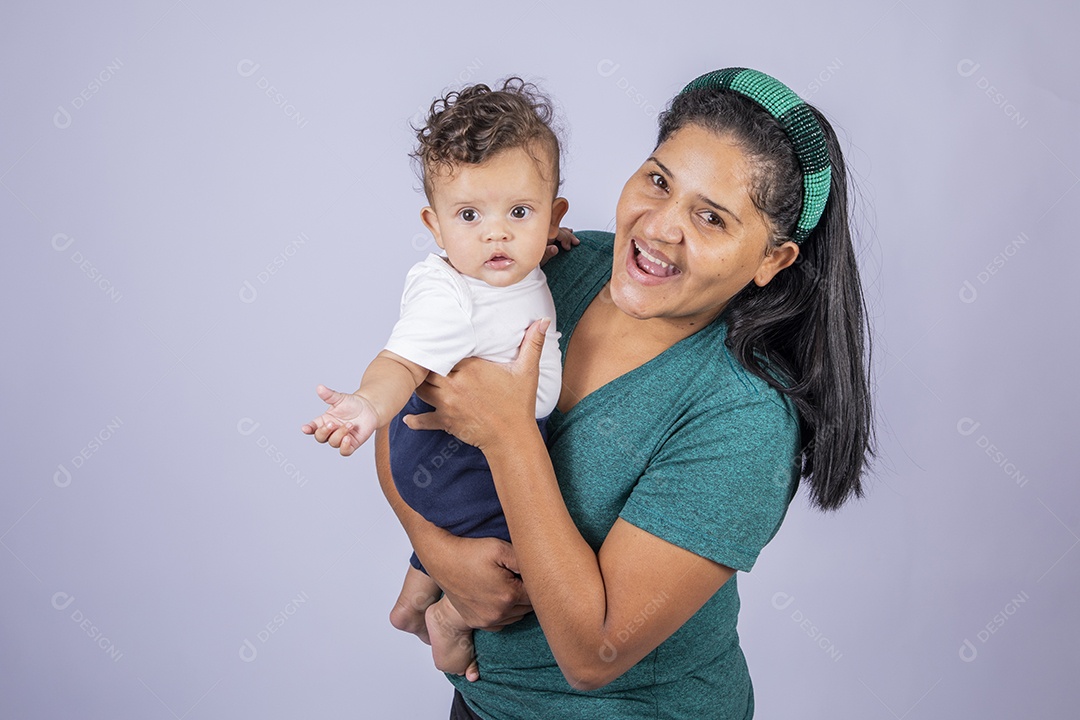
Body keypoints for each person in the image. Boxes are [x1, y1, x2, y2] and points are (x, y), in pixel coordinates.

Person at [316, 66, 873, 719]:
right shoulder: (558, 265)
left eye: (711, 218)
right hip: (485, 706)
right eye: (659, 181)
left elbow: (593, 655)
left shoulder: (744, 415)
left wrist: (509, 435)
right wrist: (443, 555)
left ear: (771, 261)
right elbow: (405, 400)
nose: (661, 228)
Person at [301, 78, 569, 679]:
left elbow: (520, 271)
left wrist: (547, 247)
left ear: (553, 217)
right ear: (435, 225)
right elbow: (401, 362)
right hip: (455, 453)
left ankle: (410, 602)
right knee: (547, 551)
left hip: (469, 447)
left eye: (519, 213)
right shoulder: (448, 295)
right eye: (469, 215)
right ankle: (449, 616)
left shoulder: (512, 263)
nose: (496, 233)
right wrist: (367, 406)